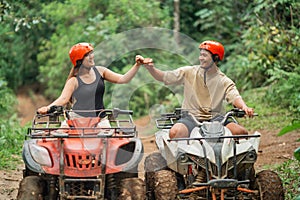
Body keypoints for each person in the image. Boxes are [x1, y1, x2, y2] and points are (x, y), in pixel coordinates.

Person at [143, 40, 254, 138]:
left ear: (215, 58)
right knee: (175, 132)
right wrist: (151, 69)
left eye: (204, 55)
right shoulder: (188, 72)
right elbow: (164, 77)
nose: (200, 58)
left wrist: (244, 107)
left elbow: (235, 97)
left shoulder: (224, 80)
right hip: (191, 118)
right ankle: (182, 159)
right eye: (200, 55)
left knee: (241, 132)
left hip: (217, 119)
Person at [38, 42, 149, 124]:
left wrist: (137, 65)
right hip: (78, 119)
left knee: (111, 143)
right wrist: (48, 108)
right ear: (79, 61)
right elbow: (63, 99)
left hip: (100, 119)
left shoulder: (101, 71)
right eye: (87, 55)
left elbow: (124, 79)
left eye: (91, 53)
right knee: (61, 140)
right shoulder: (74, 80)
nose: (92, 56)